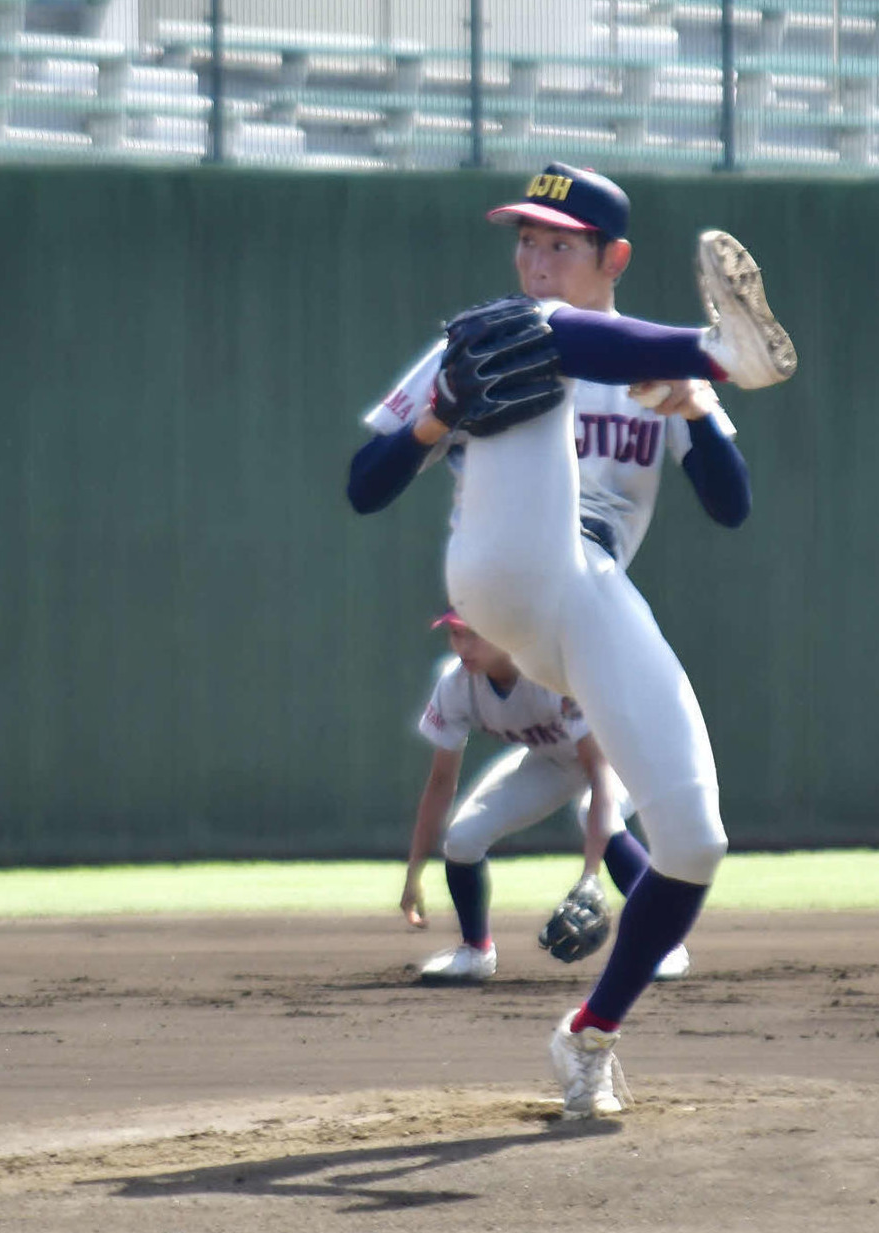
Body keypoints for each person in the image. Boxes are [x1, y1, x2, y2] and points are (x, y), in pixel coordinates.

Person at [348, 165, 795, 1118]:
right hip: (500, 578)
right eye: (525, 239)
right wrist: (436, 418)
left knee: (695, 840)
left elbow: (732, 506)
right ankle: (730, 349)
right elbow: (364, 485)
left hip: (587, 598)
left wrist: (698, 410)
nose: (535, 257)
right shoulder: (492, 339)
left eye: (559, 244)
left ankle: (589, 1035)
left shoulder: (651, 378)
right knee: (530, 334)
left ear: (613, 258)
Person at [402, 608, 690, 983]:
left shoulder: (554, 674)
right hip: (556, 757)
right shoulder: (455, 685)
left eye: (473, 634)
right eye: (455, 635)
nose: (462, 646)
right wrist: (413, 873)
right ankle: (475, 951)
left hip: (632, 746)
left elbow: (599, 773)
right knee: (462, 838)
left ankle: (663, 943)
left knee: (595, 812)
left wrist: (590, 875)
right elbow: (440, 783)